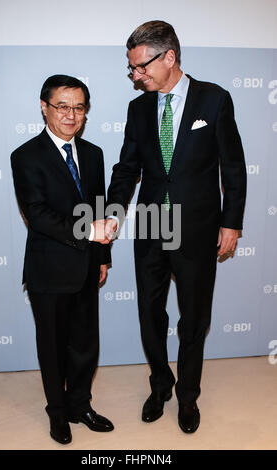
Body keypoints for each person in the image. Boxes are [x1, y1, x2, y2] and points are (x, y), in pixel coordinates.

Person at [105, 21, 246, 433]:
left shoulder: (214, 100)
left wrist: (231, 223)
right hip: (150, 225)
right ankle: (160, 385)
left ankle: (187, 396)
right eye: (131, 69)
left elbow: (233, 168)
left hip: (198, 229)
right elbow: (126, 167)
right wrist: (112, 213)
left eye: (141, 66)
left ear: (169, 57)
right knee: (150, 313)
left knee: (193, 319)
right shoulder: (139, 108)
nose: (136, 75)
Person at [11, 75, 114, 445]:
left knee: (86, 343)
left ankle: (79, 405)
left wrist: (102, 257)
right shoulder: (25, 156)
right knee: (53, 347)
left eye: (79, 107)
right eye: (63, 106)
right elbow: (36, 213)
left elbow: (100, 209)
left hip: (87, 265)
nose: (71, 115)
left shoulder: (93, 154)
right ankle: (57, 414)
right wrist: (89, 234)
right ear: (44, 107)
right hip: (49, 269)